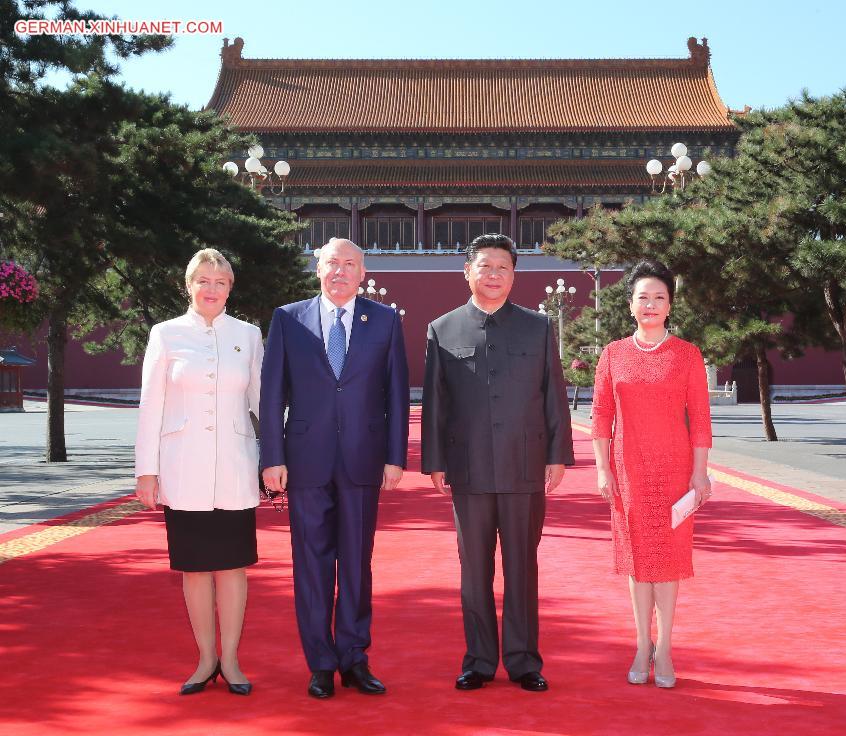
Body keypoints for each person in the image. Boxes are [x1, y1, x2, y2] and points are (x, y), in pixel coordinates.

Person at [421, 233, 574, 693]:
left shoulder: (537, 327)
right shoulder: (442, 329)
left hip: (524, 467)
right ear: (466, 272)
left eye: (502, 268)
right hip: (468, 470)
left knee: (522, 567)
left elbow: (553, 394)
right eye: (484, 267)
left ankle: (525, 660)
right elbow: (435, 402)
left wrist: (557, 454)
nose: (493, 275)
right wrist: (434, 460)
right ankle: (480, 660)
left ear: (514, 275)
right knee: (474, 571)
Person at [259, 238, 409, 700]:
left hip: (364, 459)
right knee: (311, 565)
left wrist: (395, 456)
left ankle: (354, 658)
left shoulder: (383, 321)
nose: (340, 272)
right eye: (332, 264)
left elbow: (397, 392)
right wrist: (272, 457)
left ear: (362, 273)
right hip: (305, 459)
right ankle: (320, 662)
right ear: (317, 269)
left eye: (350, 264)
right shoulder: (288, 318)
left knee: (357, 566)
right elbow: (271, 393)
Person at [134, 248, 263, 696]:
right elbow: (152, 404)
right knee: (194, 568)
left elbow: (262, 402)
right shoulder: (166, 334)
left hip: (234, 464)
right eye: (203, 280)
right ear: (188, 286)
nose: (212, 289)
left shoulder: (247, 335)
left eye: (221, 281)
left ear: (231, 288)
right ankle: (205, 657)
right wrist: (146, 470)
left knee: (232, 567)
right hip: (182, 466)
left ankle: (230, 658)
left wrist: (279, 457)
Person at [591, 259, 712, 689]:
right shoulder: (613, 354)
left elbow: (699, 418)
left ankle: (666, 649)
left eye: (659, 297)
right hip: (629, 473)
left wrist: (700, 474)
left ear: (670, 305)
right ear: (630, 305)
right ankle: (642, 643)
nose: (651, 304)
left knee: (670, 562)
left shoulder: (687, 355)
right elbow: (601, 416)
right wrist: (603, 470)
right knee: (639, 561)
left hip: (676, 471)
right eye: (643, 297)